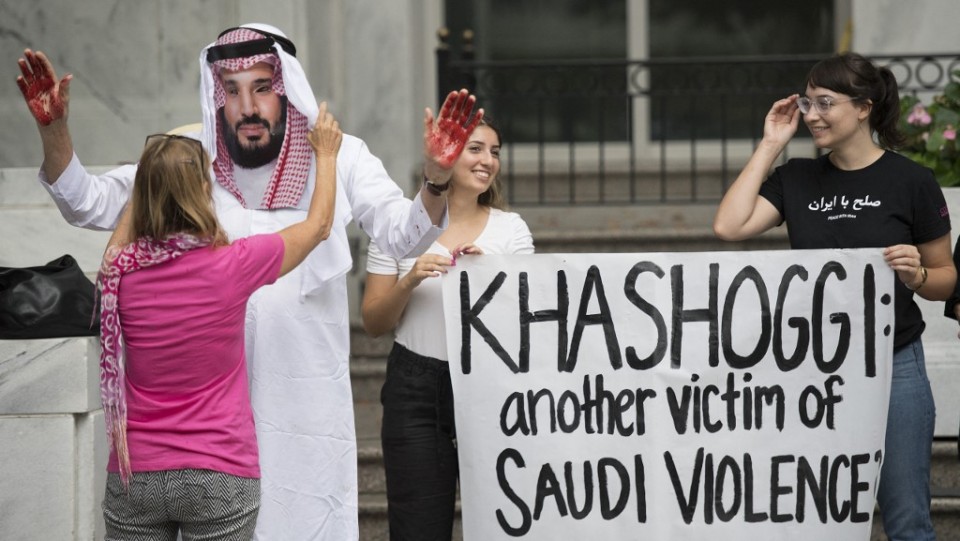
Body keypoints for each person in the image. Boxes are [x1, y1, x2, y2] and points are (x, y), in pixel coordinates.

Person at [16, 23, 481, 540]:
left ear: (287, 88)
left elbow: (401, 233)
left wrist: (436, 179)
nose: (247, 107)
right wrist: (54, 131)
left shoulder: (339, 154)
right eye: (232, 91)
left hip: (302, 402)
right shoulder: (188, 155)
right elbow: (86, 202)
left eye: (262, 88)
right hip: (203, 433)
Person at [713, 52, 955, 540]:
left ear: (863, 108)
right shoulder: (797, 178)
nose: (811, 115)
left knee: (907, 518)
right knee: (818, 517)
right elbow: (729, 226)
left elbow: (946, 279)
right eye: (807, 103)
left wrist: (916, 276)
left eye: (825, 103)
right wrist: (770, 144)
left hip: (894, 364)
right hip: (813, 371)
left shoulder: (912, 181)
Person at [98, 106, 340, 539]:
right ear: (204, 192)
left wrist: (150, 180)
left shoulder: (121, 273)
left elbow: (116, 250)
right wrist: (325, 153)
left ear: (144, 192)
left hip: (137, 474)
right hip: (220, 472)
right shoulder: (234, 264)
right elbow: (319, 225)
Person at [361, 117, 534, 540]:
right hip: (415, 390)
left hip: (492, 388)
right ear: (447, 156)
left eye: (494, 152)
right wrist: (410, 279)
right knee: (418, 528)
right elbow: (374, 322)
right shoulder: (398, 226)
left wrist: (489, 277)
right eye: (475, 149)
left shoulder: (511, 230)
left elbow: (528, 322)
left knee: (502, 527)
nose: (487, 160)